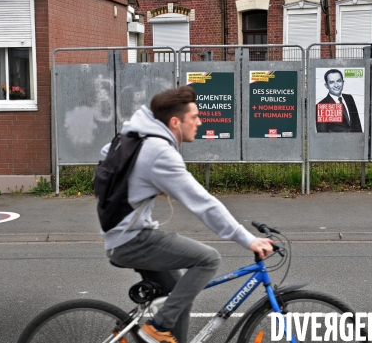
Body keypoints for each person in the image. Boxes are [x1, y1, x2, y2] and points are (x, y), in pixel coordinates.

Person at [100, 86, 273, 343]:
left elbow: (105, 157)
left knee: (178, 298)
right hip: (133, 239)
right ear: (175, 122)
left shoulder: (135, 139)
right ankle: (157, 329)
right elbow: (203, 203)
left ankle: (161, 328)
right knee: (208, 259)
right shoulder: (158, 152)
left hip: (123, 235)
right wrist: (247, 238)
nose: (200, 122)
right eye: (194, 117)